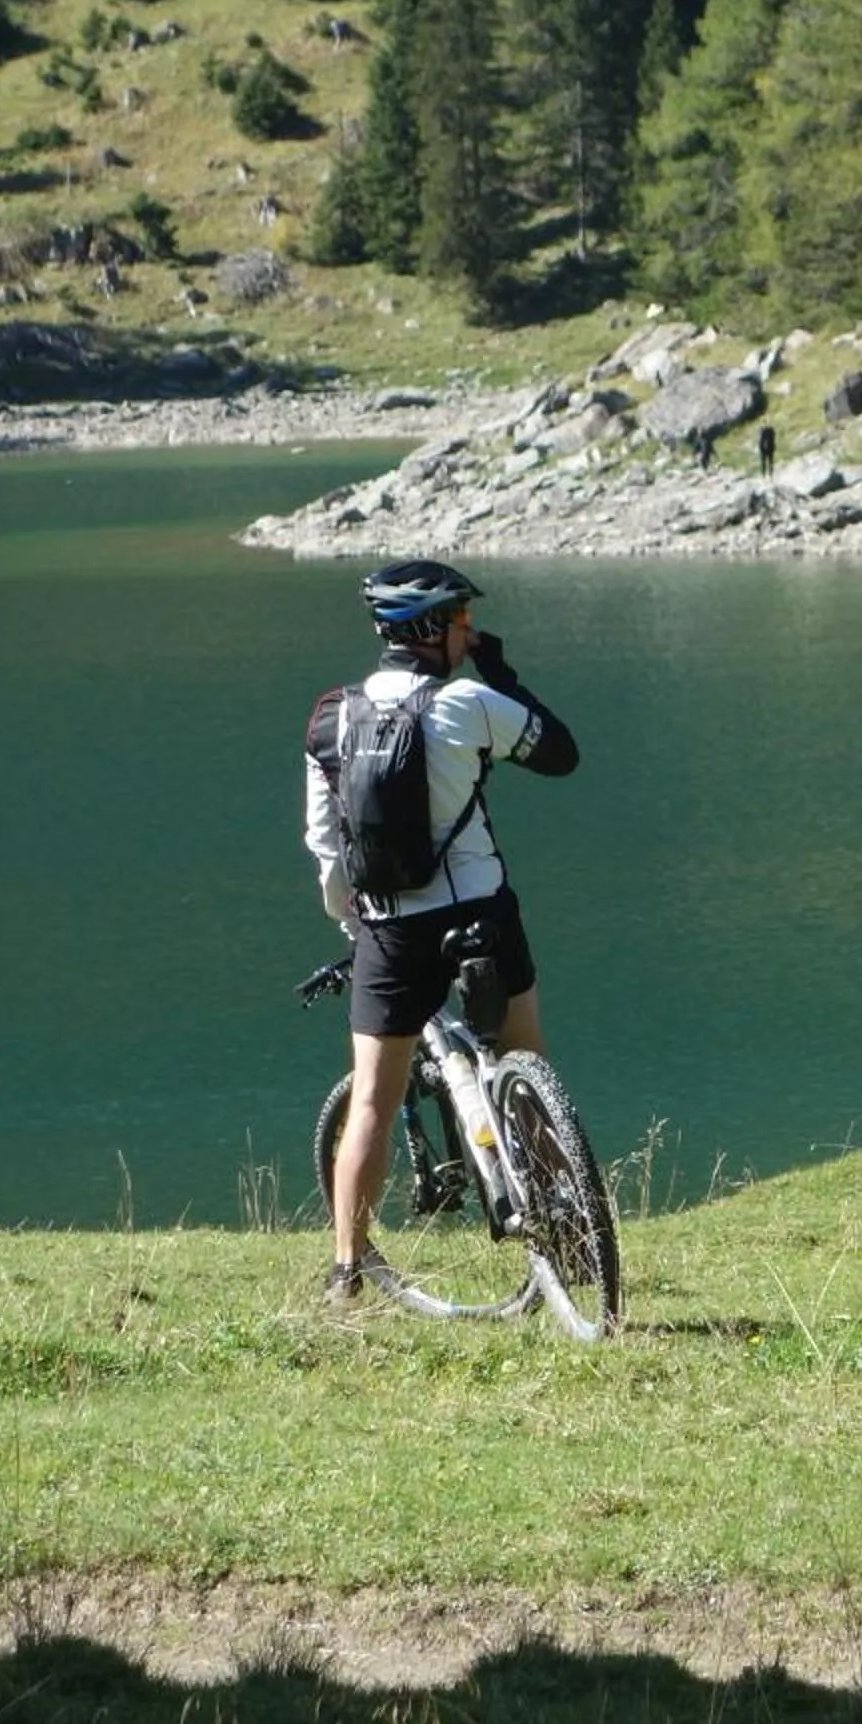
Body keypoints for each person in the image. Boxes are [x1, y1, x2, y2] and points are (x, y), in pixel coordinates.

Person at [303, 558, 580, 1301]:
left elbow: (327, 847)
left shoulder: (330, 718)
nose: (472, 630)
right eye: (462, 620)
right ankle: (573, 1228)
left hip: (390, 932)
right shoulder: (468, 706)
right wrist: (502, 676)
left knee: (372, 1102)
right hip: (483, 914)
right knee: (526, 1060)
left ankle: (345, 1271)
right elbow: (561, 754)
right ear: (431, 629)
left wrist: (351, 920)